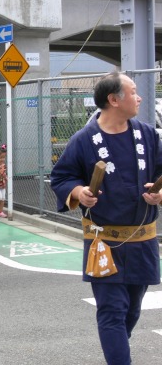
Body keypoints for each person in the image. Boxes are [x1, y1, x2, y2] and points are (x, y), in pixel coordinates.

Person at [50, 71, 162, 365]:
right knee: (112, 311)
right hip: (103, 243)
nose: (139, 98)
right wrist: (79, 192)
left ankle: (117, 351)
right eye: (133, 92)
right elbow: (61, 177)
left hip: (142, 242)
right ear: (114, 100)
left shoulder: (147, 135)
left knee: (132, 310)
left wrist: (160, 193)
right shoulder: (84, 140)